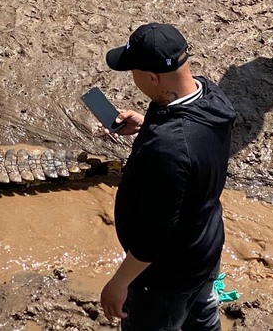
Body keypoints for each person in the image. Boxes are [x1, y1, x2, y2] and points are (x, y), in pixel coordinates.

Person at [99, 23, 236, 330]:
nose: (133, 79)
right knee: (203, 318)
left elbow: (153, 236)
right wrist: (147, 123)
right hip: (205, 245)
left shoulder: (168, 149)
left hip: (165, 277)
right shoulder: (211, 95)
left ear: (152, 78)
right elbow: (191, 141)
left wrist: (119, 282)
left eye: (133, 72)